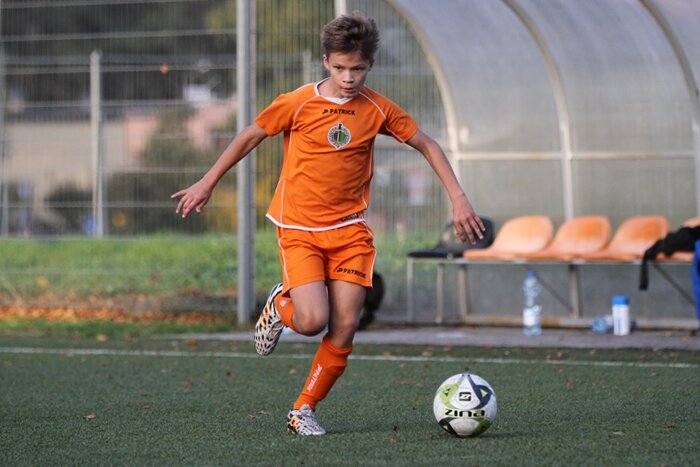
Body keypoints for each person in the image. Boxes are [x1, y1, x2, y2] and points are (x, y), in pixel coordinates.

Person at [171, 11, 484, 436]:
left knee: (346, 325)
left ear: (369, 65)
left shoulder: (377, 108)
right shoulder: (298, 102)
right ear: (325, 62)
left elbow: (426, 144)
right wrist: (207, 181)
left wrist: (459, 199)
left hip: (350, 231)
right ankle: (280, 306)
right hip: (299, 229)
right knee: (311, 321)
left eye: (358, 69)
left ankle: (303, 409)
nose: (349, 77)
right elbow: (250, 135)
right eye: (340, 68)